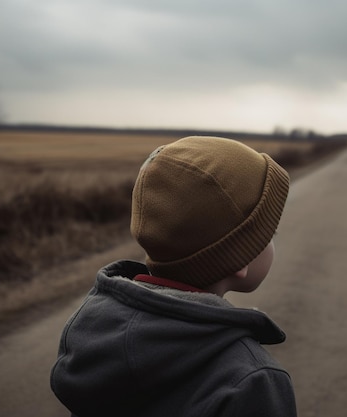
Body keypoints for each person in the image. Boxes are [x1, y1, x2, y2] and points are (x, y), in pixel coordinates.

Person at [50, 136, 296, 416]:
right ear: (240, 257)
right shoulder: (251, 379)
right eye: (269, 234)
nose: (274, 240)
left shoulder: (91, 337)